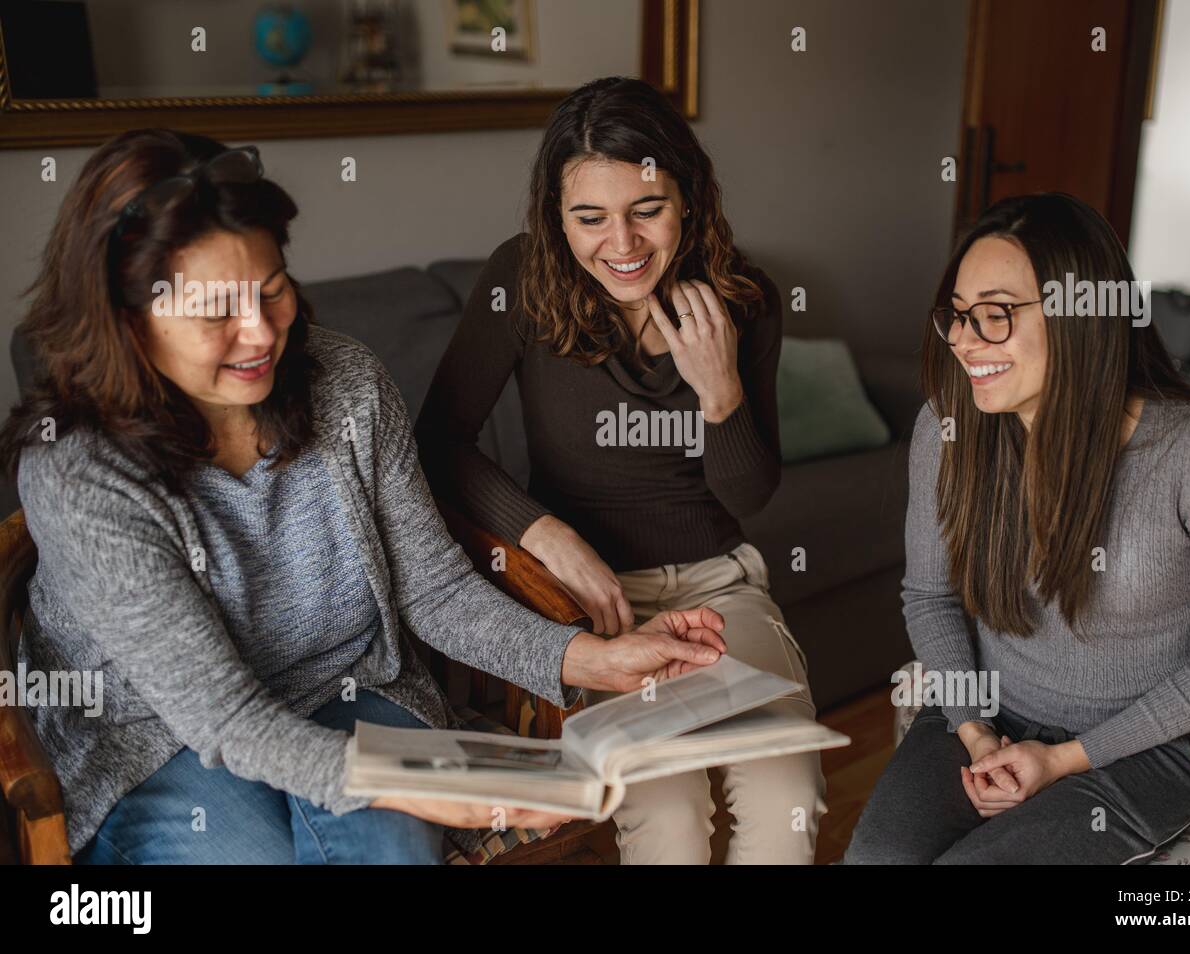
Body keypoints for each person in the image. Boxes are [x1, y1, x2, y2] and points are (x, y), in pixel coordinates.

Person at [0, 128, 726, 865]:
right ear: (127, 320)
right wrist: (423, 786)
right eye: (216, 311)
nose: (259, 335)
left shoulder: (345, 384)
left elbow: (435, 589)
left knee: (392, 853)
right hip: (158, 739)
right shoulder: (78, 469)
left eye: (272, 290)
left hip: (347, 690)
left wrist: (595, 659)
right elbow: (224, 718)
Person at [420, 77, 826, 864]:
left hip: (719, 587)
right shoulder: (522, 281)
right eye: (589, 217)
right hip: (593, 605)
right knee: (667, 819)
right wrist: (548, 534)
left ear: (689, 199)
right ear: (555, 217)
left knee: (787, 801)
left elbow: (751, 495)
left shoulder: (746, 299)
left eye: (647, 209)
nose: (623, 243)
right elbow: (438, 443)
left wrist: (722, 392)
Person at [843, 192, 1190, 864]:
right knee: (876, 859)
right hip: (989, 713)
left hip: (1139, 751)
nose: (962, 340)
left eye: (993, 316)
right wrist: (977, 732)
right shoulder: (949, 427)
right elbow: (930, 596)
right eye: (957, 316)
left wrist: (1063, 760)